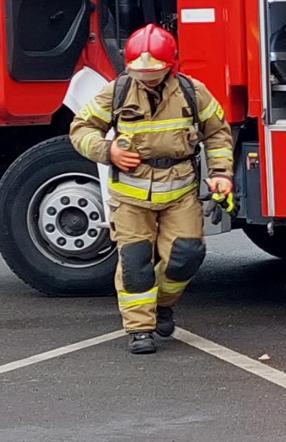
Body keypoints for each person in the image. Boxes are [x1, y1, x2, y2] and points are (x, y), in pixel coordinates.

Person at [70, 24, 235, 355]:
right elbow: (81, 128)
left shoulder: (192, 91)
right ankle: (140, 328)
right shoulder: (117, 92)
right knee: (135, 261)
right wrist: (108, 151)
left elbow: (217, 132)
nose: (147, 77)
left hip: (180, 192)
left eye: (154, 71)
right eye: (140, 71)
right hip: (130, 197)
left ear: (170, 65)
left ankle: (162, 305)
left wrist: (221, 174)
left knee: (187, 256)